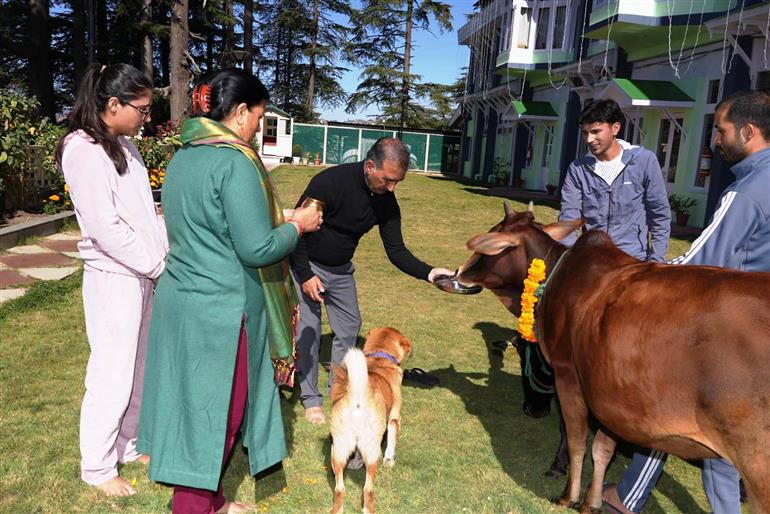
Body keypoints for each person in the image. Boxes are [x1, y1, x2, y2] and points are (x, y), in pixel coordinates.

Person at [136, 69, 321, 514]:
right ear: (239, 113)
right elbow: (257, 248)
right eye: (258, 117)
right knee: (218, 415)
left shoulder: (184, 155)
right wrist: (297, 226)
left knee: (192, 406)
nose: (258, 128)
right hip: (220, 314)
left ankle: (212, 499)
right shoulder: (235, 161)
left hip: (182, 301)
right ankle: (193, 505)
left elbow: (218, 228)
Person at [603, 90, 770, 514]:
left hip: (730, 331)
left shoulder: (748, 192)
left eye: (721, 129)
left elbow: (703, 259)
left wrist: (641, 274)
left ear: (748, 132)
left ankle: (627, 497)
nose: (715, 138)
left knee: (682, 415)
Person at [56, 63, 168, 496]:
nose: (147, 117)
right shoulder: (81, 149)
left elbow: (143, 213)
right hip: (114, 277)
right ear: (113, 104)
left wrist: (162, 254)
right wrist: (155, 265)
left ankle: (127, 444)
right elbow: (105, 226)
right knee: (111, 373)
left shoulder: (126, 146)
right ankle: (97, 466)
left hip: (142, 274)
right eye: (141, 108)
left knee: (140, 367)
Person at [289, 138, 453, 424]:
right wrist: (305, 275)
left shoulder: (386, 202)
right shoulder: (329, 182)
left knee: (350, 325)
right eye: (388, 180)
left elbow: (397, 251)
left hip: (340, 271)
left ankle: (338, 393)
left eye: (397, 182)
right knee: (309, 330)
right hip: (308, 264)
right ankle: (311, 399)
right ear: (369, 167)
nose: (391, 188)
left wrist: (429, 273)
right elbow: (297, 229)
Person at [559, 99, 671, 262]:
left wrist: (656, 261)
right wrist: (569, 259)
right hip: (593, 260)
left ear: (615, 128)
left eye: (596, 131)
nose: (589, 139)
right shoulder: (578, 169)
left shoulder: (644, 161)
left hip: (633, 261)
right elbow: (569, 218)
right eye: (585, 133)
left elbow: (660, 215)